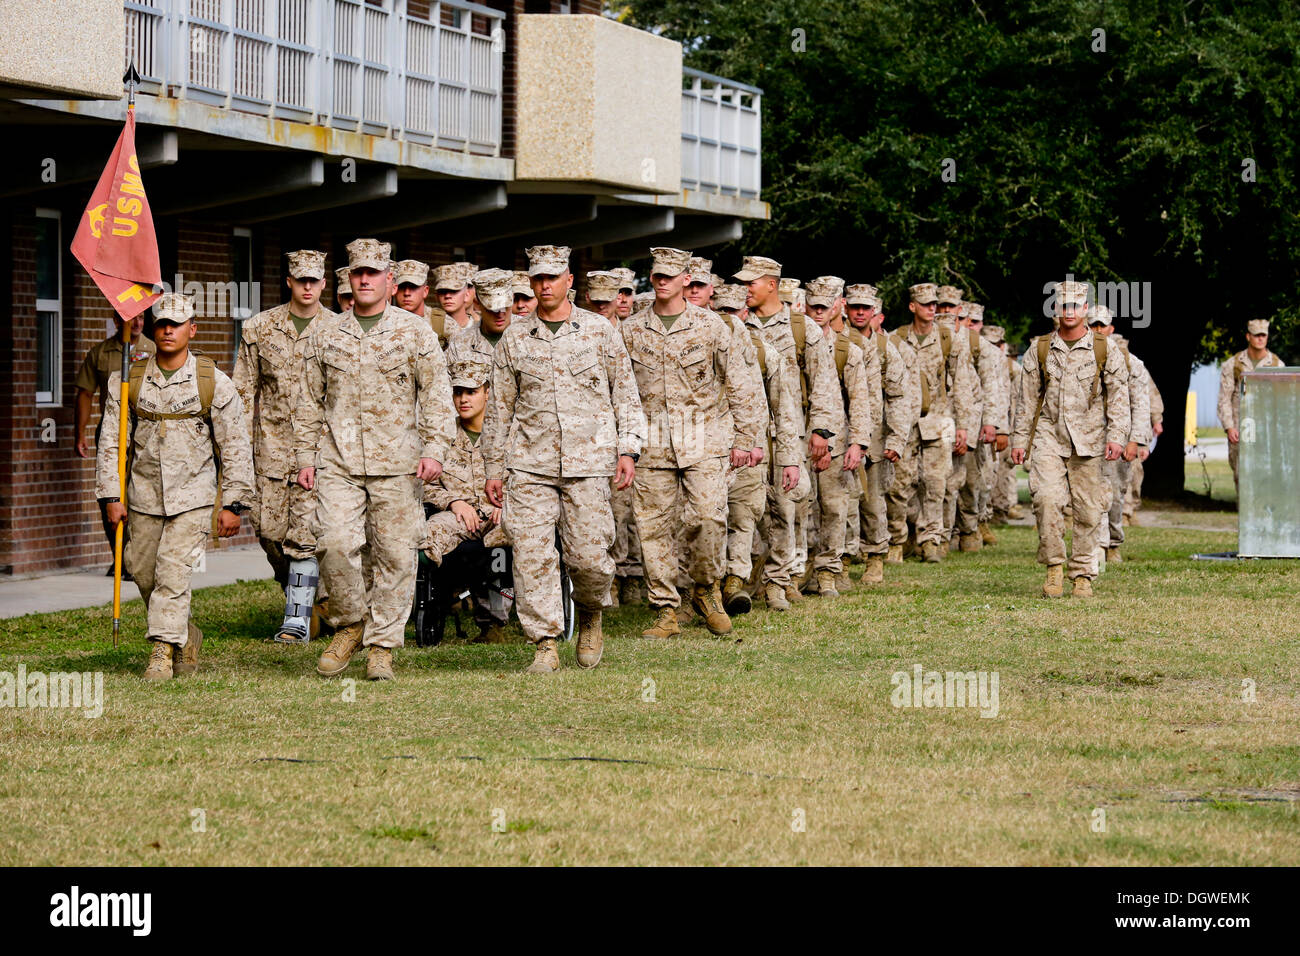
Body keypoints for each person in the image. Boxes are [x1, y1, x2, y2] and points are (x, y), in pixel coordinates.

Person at [294, 239, 455, 681]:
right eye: (357, 273)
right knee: (334, 544)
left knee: (397, 557)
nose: (364, 279)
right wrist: (304, 458)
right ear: (349, 278)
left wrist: (435, 450)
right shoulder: (325, 334)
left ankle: (382, 644)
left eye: (373, 273)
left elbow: (438, 396)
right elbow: (308, 401)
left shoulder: (415, 332)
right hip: (338, 463)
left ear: (389, 279)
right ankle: (350, 624)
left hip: (399, 464)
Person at [482, 245, 645, 673]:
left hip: (589, 463)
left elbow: (624, 392)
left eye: (552, 277)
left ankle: (590, 611)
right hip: (529, 463)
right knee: (532, 555)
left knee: (589, 558)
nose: (545, 285)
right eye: (537, 279)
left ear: (569, 280)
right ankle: (545, 642)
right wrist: (493, 470)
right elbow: (499, 408)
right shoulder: (515, 337)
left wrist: (627, 448)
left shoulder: (599, 331)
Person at [95, 293, 253, 680]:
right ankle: (185, 635)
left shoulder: (212, 381)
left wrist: (233, 504)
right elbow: (111, 442)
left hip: (194, 497)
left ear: (191, 330)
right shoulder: (128, 380)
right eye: (161, 323)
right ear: (151, 327)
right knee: (142, 570)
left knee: (172, 573)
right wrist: (111, 496)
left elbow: (234, 444)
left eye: (176, 324)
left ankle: (162, 652)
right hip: (143, 495)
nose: (167, 329)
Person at [621, 247, 763, 638]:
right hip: (651, 442)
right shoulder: (631, 330)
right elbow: (620, 389)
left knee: (707, 518)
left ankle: (706, 589)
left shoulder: (712, 326)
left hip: (705, 439)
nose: (662, 280)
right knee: (652, 529)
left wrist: (747, 438)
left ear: (687, 279)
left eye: (671, 274)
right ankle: (666, 609)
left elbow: (740, 382)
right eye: (656, 275)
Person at [232, 249, 337, 642]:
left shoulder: (338, 329)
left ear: (324, 284)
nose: (308, 287)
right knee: (270, 533)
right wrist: (237, 450)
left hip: (321, 454)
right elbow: (243, 391)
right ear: (289, 282)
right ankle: (315, 598)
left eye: (315, 281)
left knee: (306, 536)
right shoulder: (259, 328)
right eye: (301, 280)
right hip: (271, 452)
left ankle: (298, 618)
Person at [1011, 281, 1130, 598]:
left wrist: (1117, 436)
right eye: (1063, 306)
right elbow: (1026, 401)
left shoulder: (1104, 349)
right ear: (1056, 309)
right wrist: (1020, 441)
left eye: (1075, 306)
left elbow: (1118, 397)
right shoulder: (1040, 349)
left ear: (1085, 310)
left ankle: (1082, 574)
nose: (1069, 312)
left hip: (1090, 440)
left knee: (1089, 510)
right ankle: (1053, 569)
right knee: (1046, 501)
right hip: (1049, 437)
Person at [735, 255, 837, 610]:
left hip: (787, 433)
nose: (745, 288)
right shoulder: (737, 326)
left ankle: (780, 580)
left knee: (784, 508)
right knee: (744, 510)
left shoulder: (801, 329)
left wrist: (822, 432)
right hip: (745, 434)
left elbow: (824, 383)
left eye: (752, 282)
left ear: (772, 285)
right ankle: (740, 578)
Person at [713, 283, 802, 613]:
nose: (729, 320)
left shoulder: (764, 354)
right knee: (705, 521)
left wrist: (789, 458)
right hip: (708, 450)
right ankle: (704, 586)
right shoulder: (701, 348)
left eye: (733, 313)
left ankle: (735, 580)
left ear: (745, 315)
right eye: (721, 313)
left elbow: (784, 410)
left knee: (743, 515)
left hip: (750, 450)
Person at [888, 283, 979, 563]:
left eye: (934, 304)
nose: (932, 308)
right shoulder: (896, 340)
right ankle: (897, 539)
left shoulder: (948, 339)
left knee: (936, 483)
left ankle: (931, 539)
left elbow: (962, 383)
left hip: (938, 419)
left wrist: (964, 425)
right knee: (899, 484)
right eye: (925, 303)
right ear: (912, 306)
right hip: (904, 421)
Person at [422, 358, 509, 643]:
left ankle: (494, 623)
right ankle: (438, 603)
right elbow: (425, 484)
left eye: (470, 392)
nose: (463, 399)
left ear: (487, 392)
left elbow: (527, 479)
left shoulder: (507, 435)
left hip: (499, 513)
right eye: (458, 392)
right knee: (427, 535)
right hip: (458, 515)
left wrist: (506, 505)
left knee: (505, 538)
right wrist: (453, 503)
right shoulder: (442, 435)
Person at [803, 275, 873, 596]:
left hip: (838, 438)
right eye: (812, 306)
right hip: (799, 437)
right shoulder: (794, 341)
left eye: (824, 307)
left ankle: (830, 571)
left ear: (836, 306)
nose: (818, 313)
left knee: (834, 508)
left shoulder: (848, 350)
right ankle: (798, 571)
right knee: (799, 506)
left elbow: (860, 400)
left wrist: (858, 443)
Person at [845, 283, 918, 585]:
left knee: (874, 502)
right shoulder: (835, 341)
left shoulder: (887, 349)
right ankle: (840, 559)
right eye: (854, 307)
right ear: (846, 309)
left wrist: (897, 439)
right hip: (842, 433)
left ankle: (876, 557)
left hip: (876, 437)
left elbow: (900, 397)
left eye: (865, 307)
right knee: (841, 502)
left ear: (874, 311)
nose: (860, 312)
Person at [75, 308, 156, 575]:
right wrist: (81, 433)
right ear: (116, 320)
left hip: (145, 436)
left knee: (140, 495)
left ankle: (135, 558)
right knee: (109, 497)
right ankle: (119, 557)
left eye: (142, 318)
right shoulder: (100, 353)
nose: (137, 322)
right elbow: (85, 393)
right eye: (132, 317)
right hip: (112, 434)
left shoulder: (155, 350)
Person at [1088, 305, 1151, 564]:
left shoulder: (1130, 362)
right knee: (1090, 494)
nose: (1098, 330)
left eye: (1103, 325)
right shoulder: (1079, 359)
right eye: (1093, 325)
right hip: (1088, 436)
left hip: (1120, 436)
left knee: (1115, 494)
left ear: (1111, 328)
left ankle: (1113, 542)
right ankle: (1095, 546)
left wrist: (1136, 439)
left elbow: (1141, 403)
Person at [1218, 318, 1286, 493]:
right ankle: (1245, 515)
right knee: (1241, 474)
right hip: (1240, 427)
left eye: (1263, 335)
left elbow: (1284, 400)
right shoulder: (1233, 365)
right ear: (1248, 336)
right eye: (1256, 335)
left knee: (1267, 473)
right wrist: (1229, 426)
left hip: (1267, 428)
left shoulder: (1277, 365)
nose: (1260, 339)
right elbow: (1224, 399)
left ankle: (1263, 514)